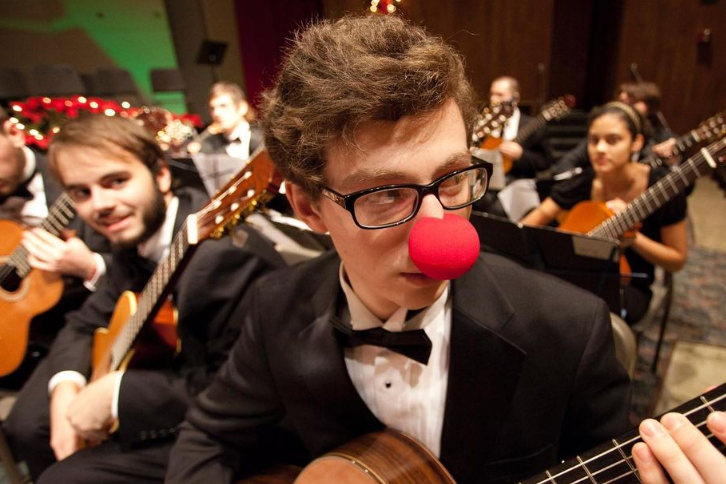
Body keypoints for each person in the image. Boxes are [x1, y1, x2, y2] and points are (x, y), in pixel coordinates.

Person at [2, 114, 286, 483]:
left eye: (116, 181)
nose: (100, 206)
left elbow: (243, 387)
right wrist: (66, 386)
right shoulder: (132, 240)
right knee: (29, 425)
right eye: (81, 193)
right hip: (168, 379)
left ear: (161, 176)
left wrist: (117, 393)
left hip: (242, 429)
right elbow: (85, 320)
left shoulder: (222, 257)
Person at [522, 102, 688, 324]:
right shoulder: (582, 182)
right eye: (593, 140)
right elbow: (530, 224)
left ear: (636, 142)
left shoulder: (662, 187)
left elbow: (677, 260)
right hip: (576, 276)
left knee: (583, 317)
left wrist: (634, 239)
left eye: (613, 140)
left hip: (628, 286)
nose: (600, 149)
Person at [0, 106, 111, 369]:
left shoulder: (76, 176)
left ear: (14, 133)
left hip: (85, 330)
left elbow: (141, 262)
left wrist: (90, 266)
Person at [193, 81, 263, 160]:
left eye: (223, 106)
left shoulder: (264, 137)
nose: (216, 113)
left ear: (242, 107)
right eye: (212, 108)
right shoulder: (208, 146)